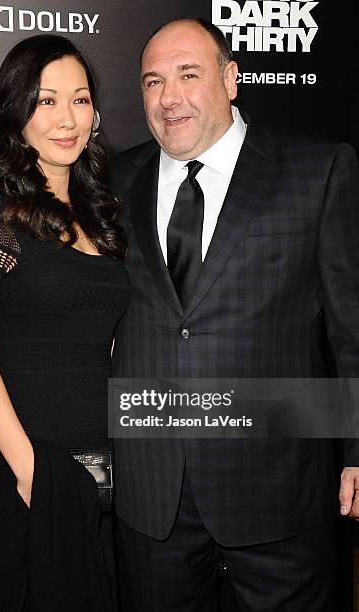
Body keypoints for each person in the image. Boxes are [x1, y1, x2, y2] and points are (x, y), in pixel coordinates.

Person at [110, 17, 359, 612]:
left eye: (188, 75)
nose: (169, 98)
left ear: (231, 79)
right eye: (152, 81)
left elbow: (351, 327)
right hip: (152, 491)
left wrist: (356, 449)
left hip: (280, 489)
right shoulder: (113, 182)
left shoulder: (317, 170)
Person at [0, 34, 129, 609]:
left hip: (111, 478)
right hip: (34, 474)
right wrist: (32, 474)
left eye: (80, 100)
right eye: (46, 101)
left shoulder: (102, 210)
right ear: (15, 110)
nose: (66, 118)